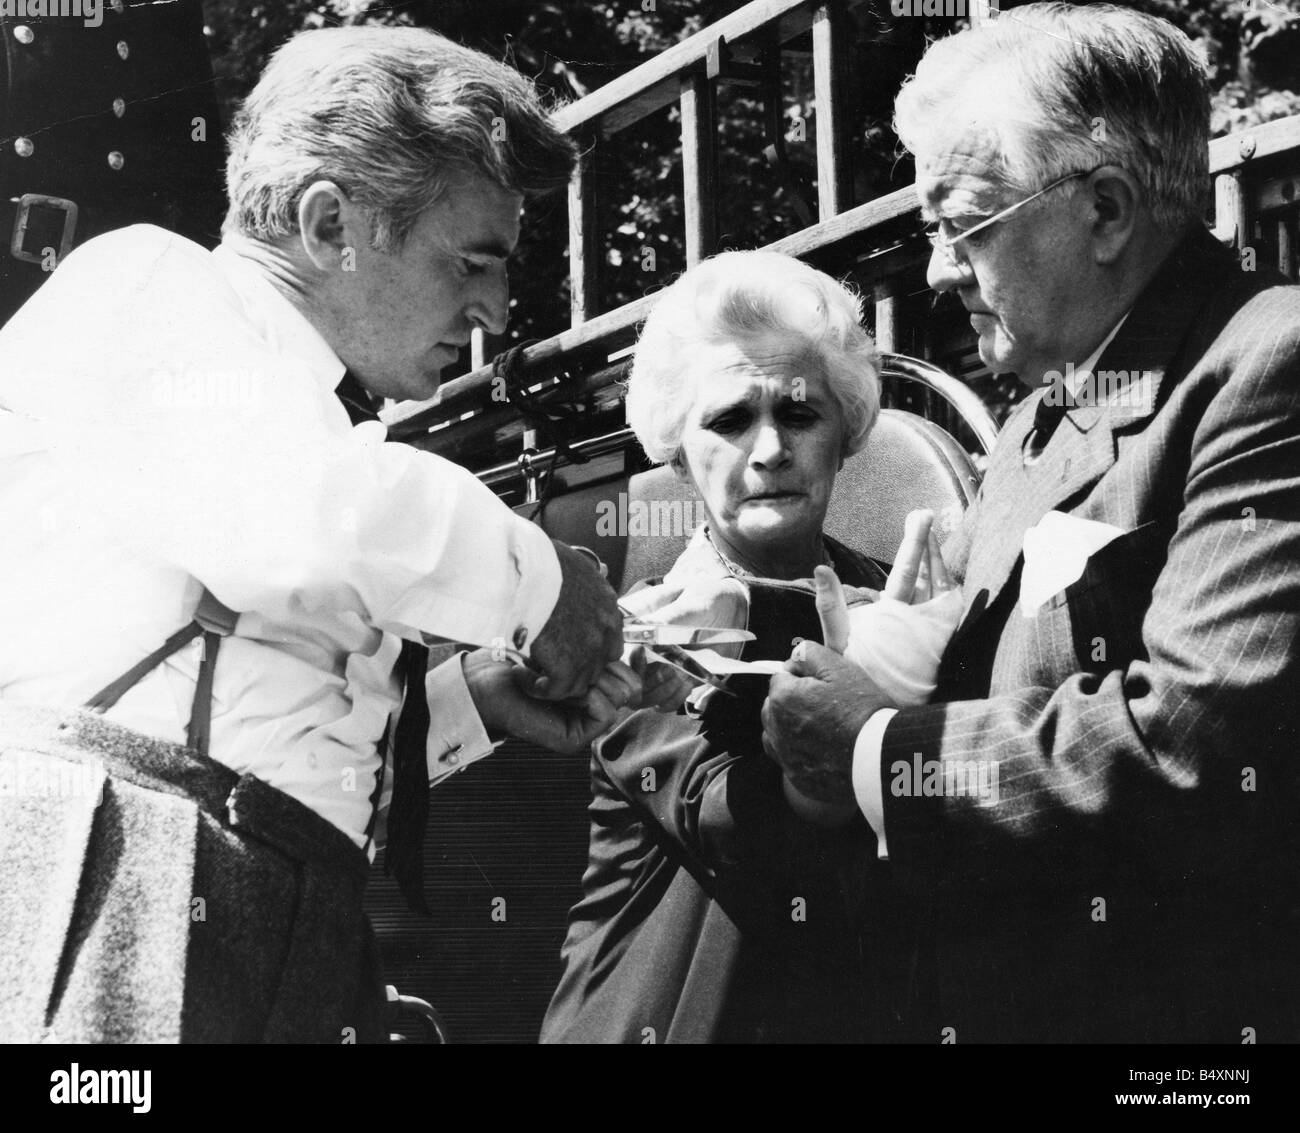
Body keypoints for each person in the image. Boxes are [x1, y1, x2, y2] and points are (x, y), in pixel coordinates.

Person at [0, 26, 642, 1043]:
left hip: (252, 904)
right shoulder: (145, 284)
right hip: (132, 876)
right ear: (328, 221)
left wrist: (467, 702)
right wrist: (536, 581)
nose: (493, 308)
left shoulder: (307, 416)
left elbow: (271, 716)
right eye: (472, 260)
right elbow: (297, 528)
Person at [762, 3, 1300, 1042]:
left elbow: (1191, 740)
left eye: (959, 226)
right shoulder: (1038, 416)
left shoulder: (1269, 364)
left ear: (1102, 210)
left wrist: (878, 748)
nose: (931, 272)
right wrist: (902, 658)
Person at [540, 252, 961, 1043]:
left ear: (846, 434)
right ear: (677, 448)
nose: (768, 449)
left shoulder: (902, 603)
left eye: (799, 415)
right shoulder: (641, 631)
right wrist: (872, 693)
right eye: (731, 420)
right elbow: (741, 824)